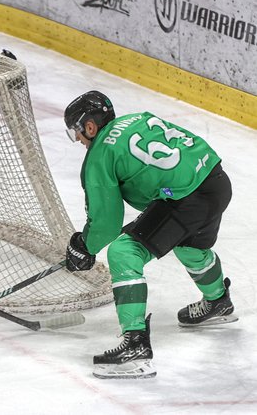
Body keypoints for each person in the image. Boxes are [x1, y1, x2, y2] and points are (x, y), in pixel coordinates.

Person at [62, 90, 235, 379]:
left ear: (90, 126)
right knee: (188, 246)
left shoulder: (99, 155)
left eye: (76, 132)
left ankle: (135, 348)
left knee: (123, 252)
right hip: (216, 181)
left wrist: (84, 246)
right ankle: (218, 301)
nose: (79, 139)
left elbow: (106, 222)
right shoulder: (136, 118)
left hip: (187, 196)